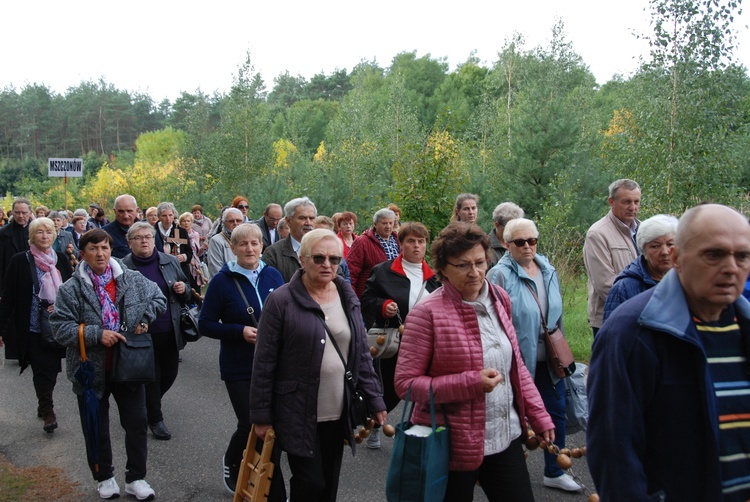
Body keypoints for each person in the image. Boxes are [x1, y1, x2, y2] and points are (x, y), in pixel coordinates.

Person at [588, 204, 750, 501]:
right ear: (677, 258)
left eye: (742, 256)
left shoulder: (745, 327)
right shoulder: (631, 333)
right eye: (713, 255)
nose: (731, 267)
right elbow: (614, 453)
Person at [394, 221, 555, 501]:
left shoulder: (499, 298)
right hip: (451, 446)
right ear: (443, 268)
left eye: (480, 262)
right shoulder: (426, 314)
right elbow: (406, 385)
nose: (475, 272)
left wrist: (538, 414)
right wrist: (470, 383)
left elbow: (515, 366)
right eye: (463, 265)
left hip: (504, 436)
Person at [249, 229, 386, 502]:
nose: (327, 265)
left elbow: (360, 354)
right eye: (319, 258)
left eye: (334, 259)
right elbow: (264, 363)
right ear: (302, 259)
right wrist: (261, 416)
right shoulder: (281, 300)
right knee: (310, 482)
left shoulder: (347, 297)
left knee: (328, 483)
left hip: (338, 408)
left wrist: (376, 400)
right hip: (297, 408)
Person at [50, 229, 166, 500]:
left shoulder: (132, 279)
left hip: (130, 366)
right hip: (90, 369)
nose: (100, 254)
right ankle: (104, 477)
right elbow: (60, 328)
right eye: (93, 249)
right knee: (96, 426)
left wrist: (145, 319)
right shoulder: (71, 289)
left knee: (136, 423)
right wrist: (96, 334)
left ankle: (136, 478)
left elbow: (159, 298)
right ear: (82, 254)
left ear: (111, 250)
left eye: (104, 247)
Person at [487, 218, 582, 493]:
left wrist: (563, 352)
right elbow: (493, 321)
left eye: (532, 241)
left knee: (556, 411)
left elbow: (557, 314)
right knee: (514, 416)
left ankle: (555, 470)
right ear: (507, 244)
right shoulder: (500, 275)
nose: (528, 246)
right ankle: (502, 474)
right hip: (516, 359)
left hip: (550, 358)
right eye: (520, 242)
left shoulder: (548, 269)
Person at [199, 223, 285, 496]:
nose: (250, 248)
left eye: (255, 243)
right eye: (243, 244)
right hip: (238, 365)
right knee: (250, 422)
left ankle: (263, 479)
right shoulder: (221, 282)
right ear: (233, 248)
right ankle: (233, 460)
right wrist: (239, 331)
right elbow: (206, 324)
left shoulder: (273, 275)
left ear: (262, 246)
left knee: (273, 426)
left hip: (273, 364)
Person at [360, 222, 440, 449]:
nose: (416, 246)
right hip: (393, 341)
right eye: (411, 241)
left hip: (426, 343)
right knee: (390, 389)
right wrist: (383, 305)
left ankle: (412, 430)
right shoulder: (384, 271)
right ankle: (375, 425)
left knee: (423, 389)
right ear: (401, 244)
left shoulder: (434, 276)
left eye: (421, 241)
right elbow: (367, 299)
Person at [0, 217, 72, 433]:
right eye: (39, 232)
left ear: (54, 235)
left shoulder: (60, 259)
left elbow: (70, 291)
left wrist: (58, 305)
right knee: (41, 369)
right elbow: (9, 297)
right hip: (31, 326)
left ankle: (44, 401)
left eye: (48, 232)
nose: (44, 236)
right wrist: (1, 329)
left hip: (56, 326)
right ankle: (48, 410)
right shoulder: (20, 261)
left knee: (50, 369)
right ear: (32, 236)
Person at [122, 222, 191, 442]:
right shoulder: (122, 267)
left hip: (169, 329)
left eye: (148, 237)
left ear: (155, 240)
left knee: (169, 374)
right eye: (138, 238)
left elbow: (188, 289)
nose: (144, 241)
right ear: (129, 242)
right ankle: (155, 418)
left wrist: (183, 288)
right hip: (141, 333)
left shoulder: (169, 261)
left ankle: (147, 404)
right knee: (152, 377)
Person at [583, 179, 641, 335]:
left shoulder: (643, 231)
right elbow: (605, 284)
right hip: (610, 319)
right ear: (611, 202)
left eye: (636, 201)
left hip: (641, 317)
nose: (633, 207)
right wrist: (641, 306)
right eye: (626, 202)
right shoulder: (598, 234)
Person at [603, 214, 678, 321]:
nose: (665, 252)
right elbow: (613, 334)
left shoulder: (688, 283)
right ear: (643, 251)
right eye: (655, 246)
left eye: (670, 244)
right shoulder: (623, 289)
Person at [261, 197, 317, 283]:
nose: (308, 223)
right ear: (288, 221)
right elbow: (269, 288)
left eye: (312, 218)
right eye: (302, 218)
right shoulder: (273, 253)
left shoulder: (326, 249)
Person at [347, 208, 400, 298]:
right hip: (370, 298)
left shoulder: (399, 241)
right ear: (375, 224)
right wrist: (352, 298)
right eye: (384, 223)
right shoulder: (362, 242)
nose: (388, 226)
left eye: (391, 223)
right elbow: (351, 272)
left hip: (396, 296)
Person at [0, 199, 32, 300]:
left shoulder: (38, 231)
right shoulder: (4, 233)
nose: (20, 216)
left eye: (24, 212)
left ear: (30, 213)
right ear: (12, 212)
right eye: (17, 212)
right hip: (11, 280)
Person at [153, 202, 192, 283]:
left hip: (179, 271)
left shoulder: (181, 232)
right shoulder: (152, 232)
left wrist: (184, 257)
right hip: (159, 271)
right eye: (164, 215)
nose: (168, 218)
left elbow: (189, 252)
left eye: (170, 215)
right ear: (159, 217)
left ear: (174, 216)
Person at [207, 208, 243, 278]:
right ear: (224, 222)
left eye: (238, 221)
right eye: (231, 221)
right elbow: (216, 270)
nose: (235, 223)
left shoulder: (247, 240)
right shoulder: (216, 241)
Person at [102, 194, 140, 259]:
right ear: (115, 211)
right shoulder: (105, 234)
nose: (125, 215)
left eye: (129, 211)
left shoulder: (147, 231)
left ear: (137, 211)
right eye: (121, 212)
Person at [487, 202, 524, 267]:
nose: (515, 230)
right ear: (497, 225)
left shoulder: (524, 243)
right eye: (510, 227)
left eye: (518, 226)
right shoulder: (486, 247)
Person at [179, 212, 205, 291]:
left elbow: (197, 250)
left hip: (195, 264)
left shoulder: (195, 234)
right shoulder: (179, 234)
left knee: (196, 286)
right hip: (185, 262)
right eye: (184, 221)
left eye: (188, 221)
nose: (186, 223)